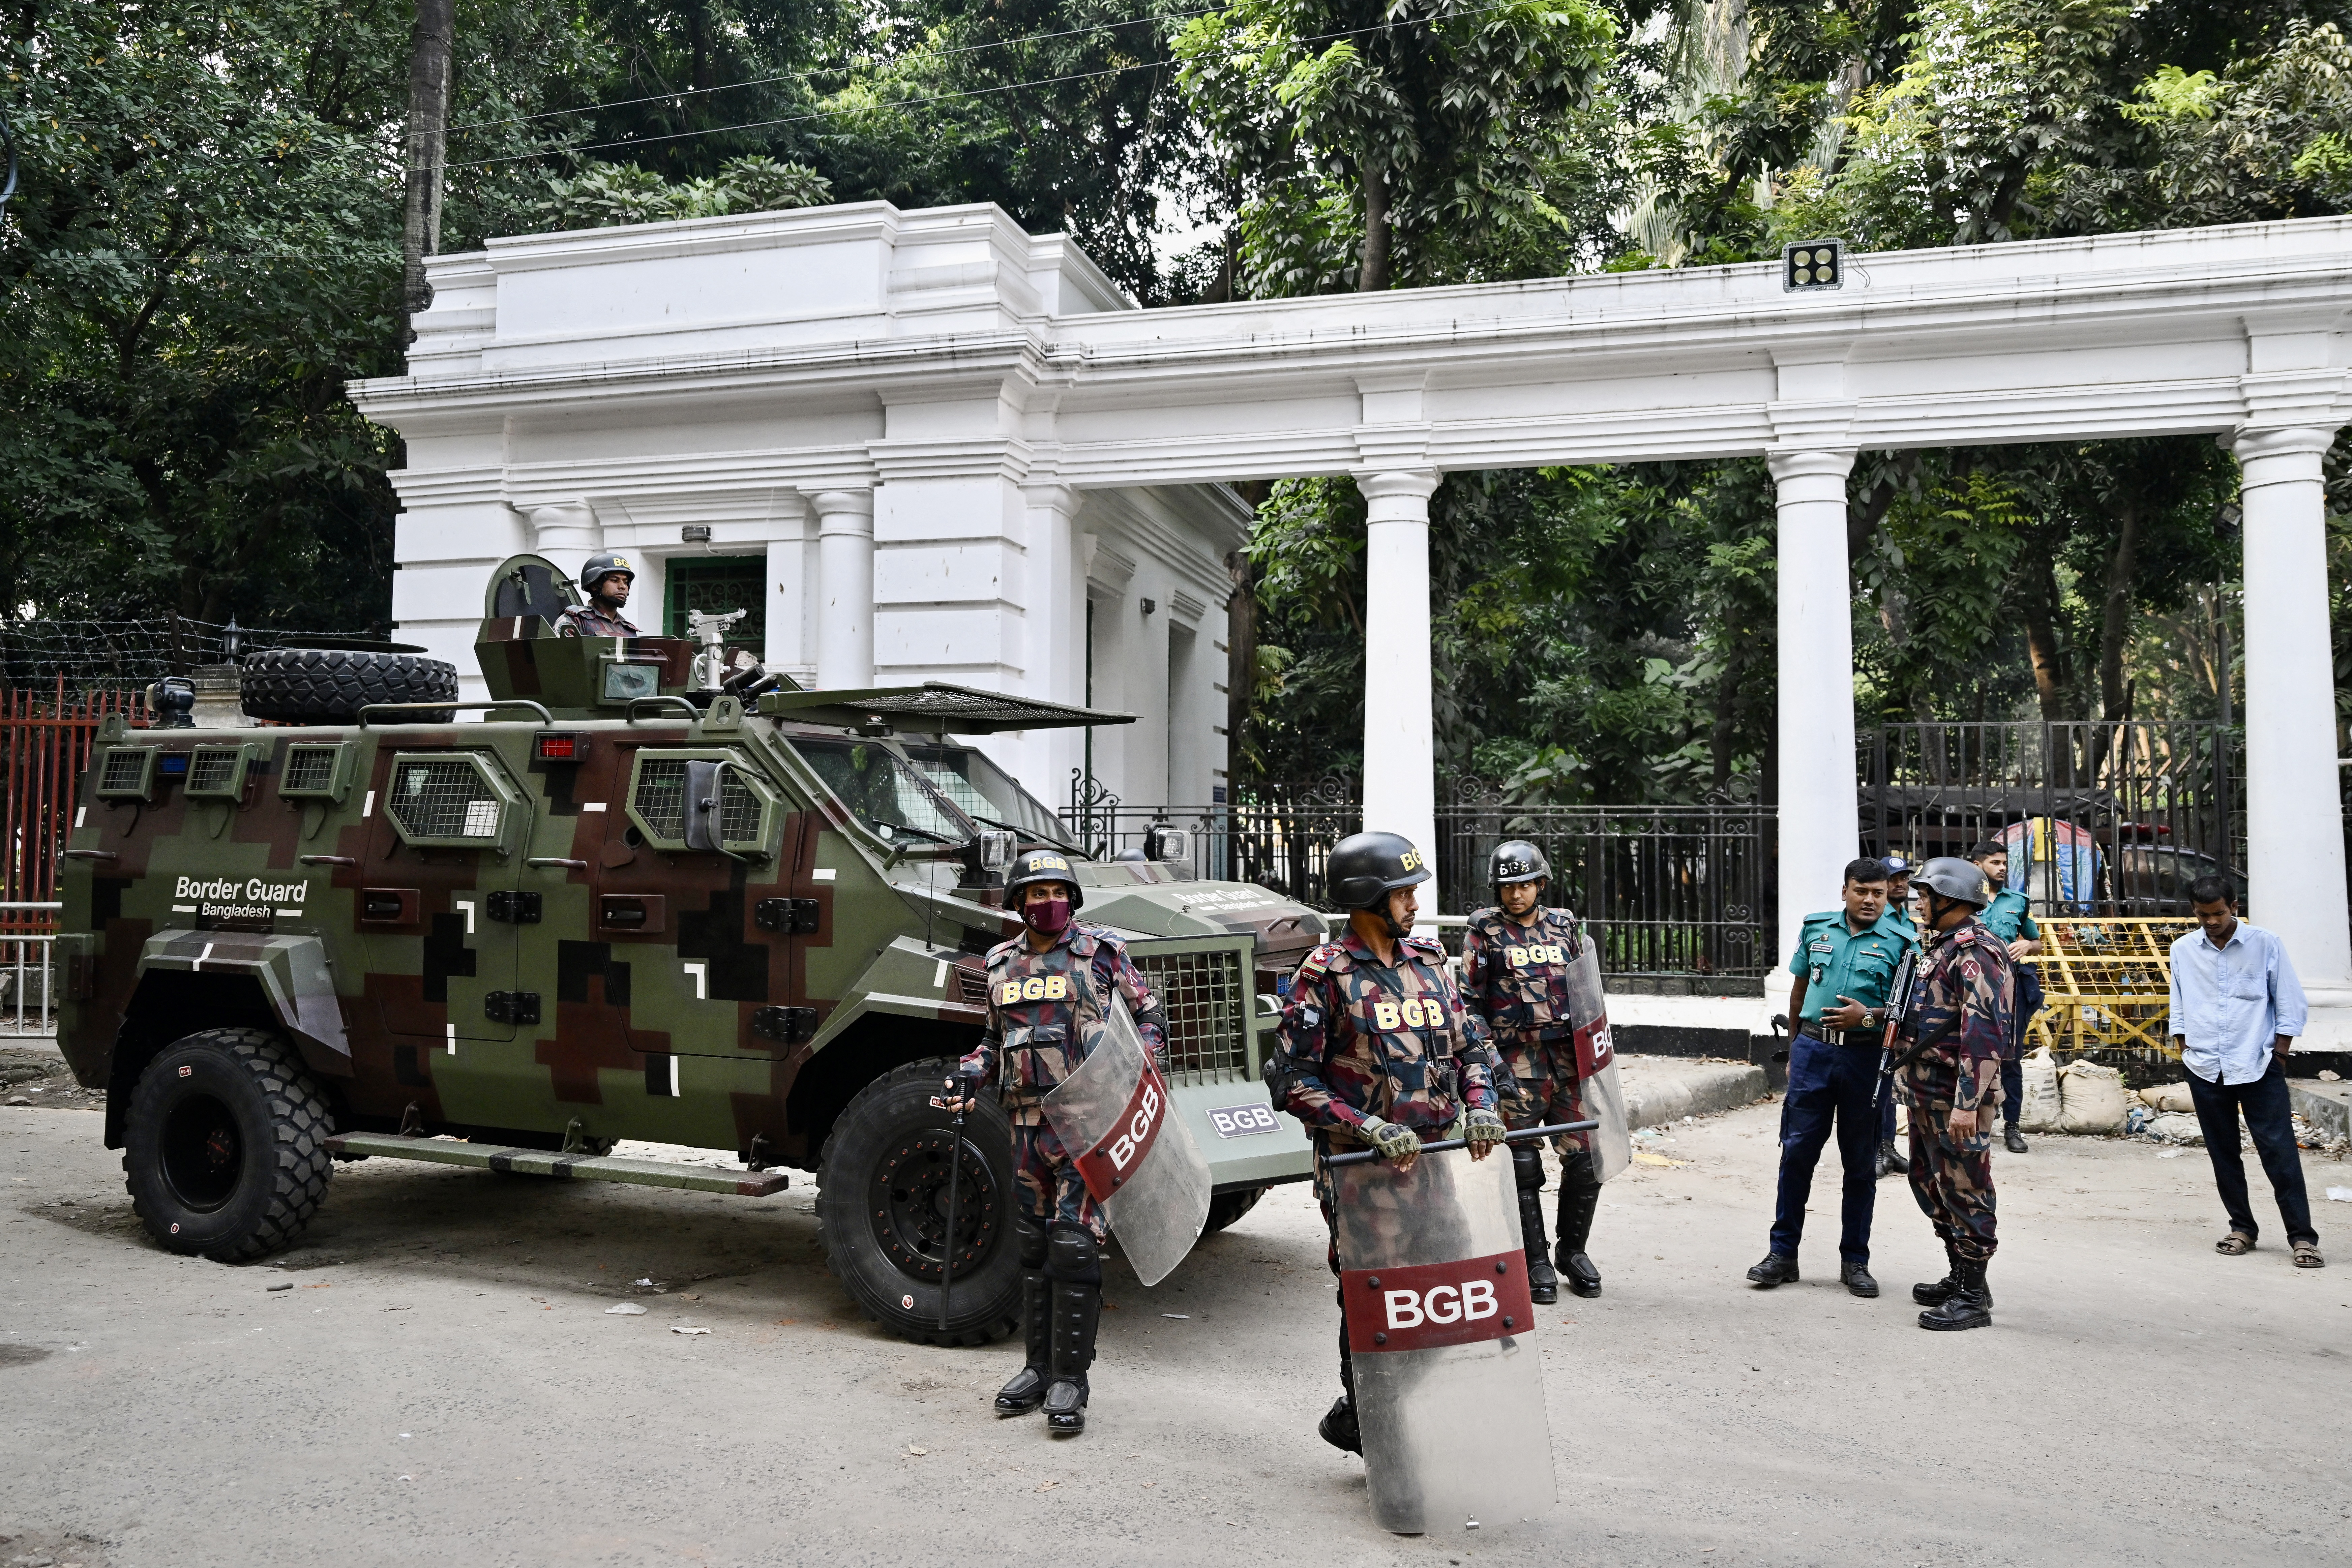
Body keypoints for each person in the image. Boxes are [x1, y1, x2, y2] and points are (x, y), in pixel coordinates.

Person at [1265, 830, 1505, 1455]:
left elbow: (1471, 1046)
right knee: (1375, 1299)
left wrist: (1481, 1106)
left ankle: (1358, 1415)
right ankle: (1381, 1428)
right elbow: (1292, 1082)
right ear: (1367, 897)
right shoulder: (1325, 976)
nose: (1414, 902)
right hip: (1361, 1172)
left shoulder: (1431, 963)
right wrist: (1366, 1125)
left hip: (1435, 1163)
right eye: (1403, 893)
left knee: (1445, 1291)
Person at [943, 849, 1169, 1435]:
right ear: (1018, 902)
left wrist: (1139, 1060)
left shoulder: (1100, 952)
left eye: (1057, 891)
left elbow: (1149, 1015)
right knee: (1033, 1247)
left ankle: (1071, 1378)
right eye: (1036, 893)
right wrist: (969, 1072)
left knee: (1073, 1243)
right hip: (1025, 1124)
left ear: (1073, 897)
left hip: (1086, 1125)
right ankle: (1036, 1369)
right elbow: (992, 1043)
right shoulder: (999, 963)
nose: (1048, 902)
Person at [1748, 857, 1912, 1298]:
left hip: (1865, 1059)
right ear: (1845, 892)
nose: (1870, 900)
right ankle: (1782, 1255)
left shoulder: (1903, 941)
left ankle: (1855, 1261)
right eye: (1862, 891)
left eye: (1878, 893)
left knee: (1860, 1165)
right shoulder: (1817, 928)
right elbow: (1800, 986)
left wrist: (1867, 1018)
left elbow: (1907, 1011)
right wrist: (1798, 1047)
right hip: (1813, 1055)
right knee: (1797, 1155)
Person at [1461, 840, 1602, 1303]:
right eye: (1507, 887)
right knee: (1522, 1167)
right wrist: (1488, 1061)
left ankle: (1573, 1252)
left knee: (1584, 1161)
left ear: (1540, 884)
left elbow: (1589, 991)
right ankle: (1535, 1260)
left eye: (1524, 885)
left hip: (1567, 1064)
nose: (1516, 894)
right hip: (1515, 1067)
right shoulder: (1482, 930)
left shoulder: (1566, 926)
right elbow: (1468, 1005)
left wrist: (1596, 1054)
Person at [2168, 877, 2323, 1269]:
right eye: (2203, 915)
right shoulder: (2183, 949)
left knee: (2279, 1152)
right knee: (2223, 1153)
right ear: (2193, 912)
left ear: (2233, 906)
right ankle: (2242, 1228)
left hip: (2257, 1063)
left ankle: (2302, 1237)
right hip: (2205, 1066)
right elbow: (2179, 1003)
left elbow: (2288, 999)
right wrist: (2184, 1048)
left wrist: (2280, 1055)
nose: (2211, 921)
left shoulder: (2265, 943)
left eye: (2218, 913)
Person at [1894, 856, 2014, 1331]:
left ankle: (1972, 1298)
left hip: (1957, 1095)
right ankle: (1962, 1276)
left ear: (1950, 900)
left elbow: (1984, 1033)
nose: (1919, 902)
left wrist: (1969, 1103)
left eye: (1925, 895)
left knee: (1967, 1188)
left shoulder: (1976, 951)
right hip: (1928, 1092)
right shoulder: (1942, 947)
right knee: (1929, 1182)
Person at [1969, 838, 2044, 1154]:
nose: (2001, 869)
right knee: (1970, 1052)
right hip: (1971, 987)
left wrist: (2027, 945)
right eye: (1995, 863)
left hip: (2011, 988)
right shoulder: (1962, 899)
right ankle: (1970, 1119)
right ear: (1977, 866)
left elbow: (2036, 942)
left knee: (2010, 1057)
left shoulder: (2018, 900)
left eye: (2004, 863)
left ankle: (2012, 1126)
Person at [1873, 855, 1918, 1178]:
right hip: (1876, 1013)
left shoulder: (1910, 922)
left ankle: (1888, 1145)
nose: (1899, 884)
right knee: (1874, 1085)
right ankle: (1875, 1147)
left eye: (1903, 878)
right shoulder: (1877, 919)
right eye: (1893, 879)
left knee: (1889, 1084)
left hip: (1901, 1012)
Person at [557, 552, 642, 637]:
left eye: (626, 582)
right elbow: (560, 650)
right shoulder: (577, 620)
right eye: (614, 580)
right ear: (595, 585)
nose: (623, 587)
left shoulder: (629, 631)